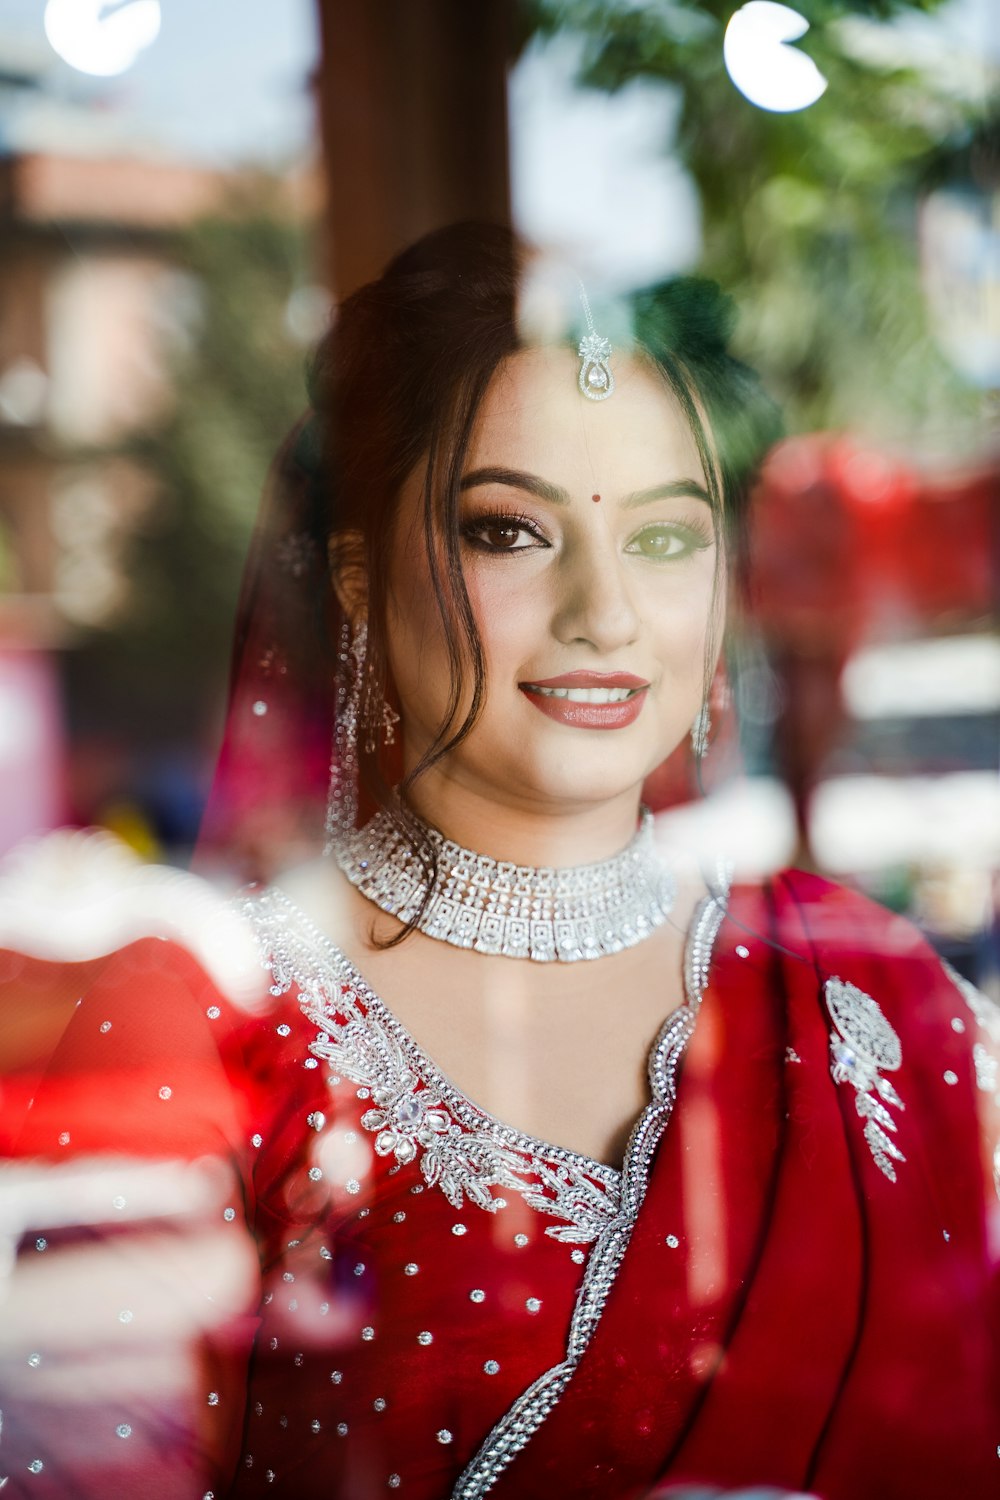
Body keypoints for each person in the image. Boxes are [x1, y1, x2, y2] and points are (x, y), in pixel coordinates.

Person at [3, 223, 998, 1500]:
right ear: (359, 581)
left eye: (661, 538)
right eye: (508, 532)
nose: (604, 612)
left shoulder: (872, 989)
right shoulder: (211, 1018)